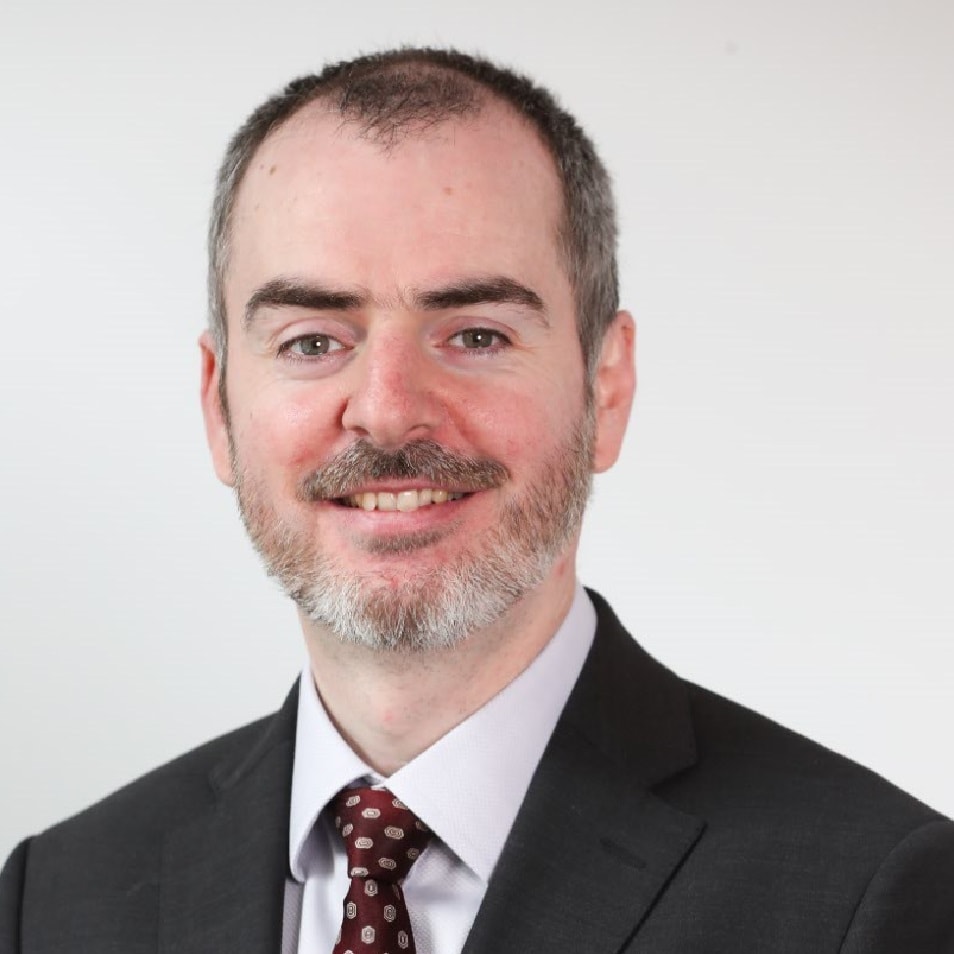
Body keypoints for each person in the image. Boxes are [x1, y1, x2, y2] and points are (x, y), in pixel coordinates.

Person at [1, 47, 952, 954]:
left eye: (476, 335)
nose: (386, 410)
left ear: (607, 386)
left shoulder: (869, 897)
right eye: (312, 341)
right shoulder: (55, 901)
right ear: (218, 406)